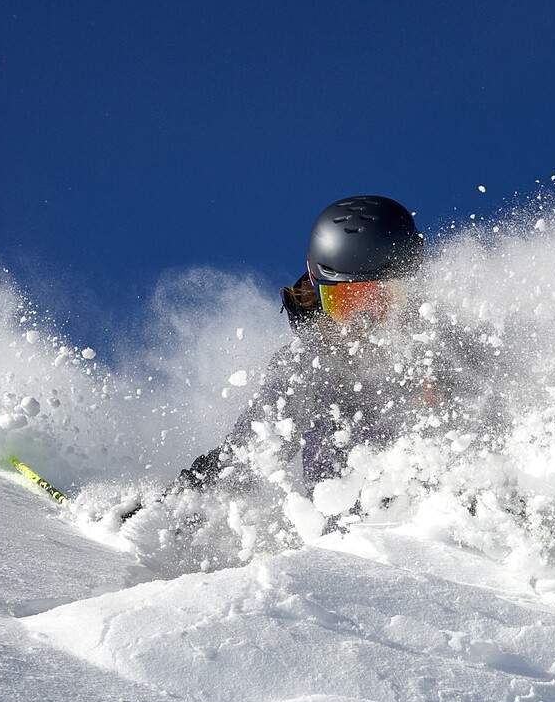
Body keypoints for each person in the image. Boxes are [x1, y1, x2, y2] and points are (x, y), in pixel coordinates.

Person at [177, 194, 470, 494]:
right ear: (319, 293)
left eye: (381, 299)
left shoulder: (452, 349)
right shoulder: (304, 367)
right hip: (337, 539)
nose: (363, 321)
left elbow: (510, 427)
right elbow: (243, 459)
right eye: (344, 302)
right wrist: (178, 504)